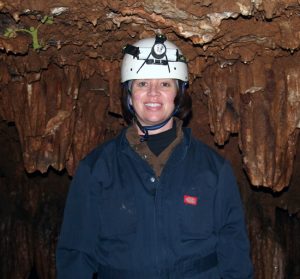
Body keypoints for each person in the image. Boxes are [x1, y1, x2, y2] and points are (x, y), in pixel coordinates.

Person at [56, 34, 253, 279]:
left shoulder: (213, 170)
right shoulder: (96, 169)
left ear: (179, 93)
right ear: (129, 93)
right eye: (142, 83)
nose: (153, 94)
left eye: (165, 84)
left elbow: (234, 253)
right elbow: (76, 255)